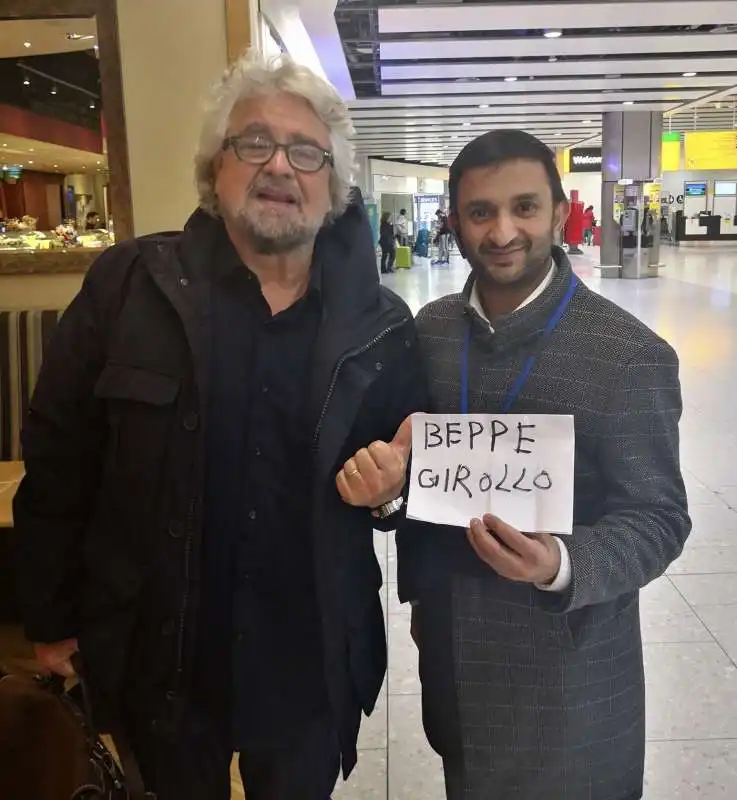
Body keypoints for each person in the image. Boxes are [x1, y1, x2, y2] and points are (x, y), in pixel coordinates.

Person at [14, 52, 426, 800]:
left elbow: (403, 489)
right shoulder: (128, 286)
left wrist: (391, 493)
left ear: (332, 185)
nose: (279, 166)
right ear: (215, 167)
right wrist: (47, 615)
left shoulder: (381, 326)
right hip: (158, 658)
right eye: (253, 142)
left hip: (306, 666)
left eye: (307, 152)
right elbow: (58, 457)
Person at [341, 130, 691, 800]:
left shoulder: (627, 355)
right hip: (452, 652)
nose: (502, 230)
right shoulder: (430, 333)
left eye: (524, 207)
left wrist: (560, 563)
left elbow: (657, 519)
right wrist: (388, 492)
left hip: (568, 665)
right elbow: (418, 472)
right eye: (480, 212)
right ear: (456, 221)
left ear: (559, 213)